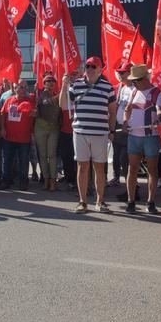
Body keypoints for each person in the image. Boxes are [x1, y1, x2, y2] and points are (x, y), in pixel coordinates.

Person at [60, 56, 117, 213]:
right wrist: (64, 86)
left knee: (99, 168)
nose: (90, 69)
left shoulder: (108, 87)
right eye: (88, 66)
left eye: (94, 66)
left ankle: (100, 201)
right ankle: (82, 201)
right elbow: (63, 105)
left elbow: (113, 111)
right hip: (80, 131)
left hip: (100, 133)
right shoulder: (76, 85)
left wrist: (112, 131)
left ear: (100, 69)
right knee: (82, 167)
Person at [121, 64, 161, 214]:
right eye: (133, 81)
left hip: (151, 137)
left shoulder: (157, 92)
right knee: (132, 169)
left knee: (152, 170)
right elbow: (127, 110)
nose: (134, 84)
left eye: (136, 81)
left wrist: (158, 118)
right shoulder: (133, 92)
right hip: (134, 136)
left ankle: (150, 202)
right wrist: (125, 122)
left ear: (144, 79)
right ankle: (130, 202)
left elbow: (160, 109)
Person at [0, 81, 37, 190]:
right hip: (9, 137)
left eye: (25, 87)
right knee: (7, 160)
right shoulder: (9, 100)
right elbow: (2, 114)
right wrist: (3, 128)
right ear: (15, 89)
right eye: (21, 87)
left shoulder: (30, 101)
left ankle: (23, 182)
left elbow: (36, 113)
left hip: (24, 138)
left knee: (23, 161)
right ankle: (6, 180)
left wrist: (35, 113)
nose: (23, 89)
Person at [34, 74, 61, 191]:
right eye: (48, 81)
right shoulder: (41, 94)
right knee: (43, 155)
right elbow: (46, 102)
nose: (50, 83)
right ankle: (46, 180)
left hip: (54, 128)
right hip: (41, 127)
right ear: (44, 83)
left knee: (52, 155)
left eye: (52, 81)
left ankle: (53, 181)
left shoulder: (57, 94)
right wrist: (62, 92)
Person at [109, 61, 134, 188]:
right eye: (120, 73)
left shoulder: (135, 88)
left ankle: (129, 181)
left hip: (129, 128)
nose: (121, 75)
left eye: (123, 73)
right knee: (116, 153)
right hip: (118, 125)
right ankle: (116, 177)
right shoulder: (122, 88)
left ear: (130, 73)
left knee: (125, 156)